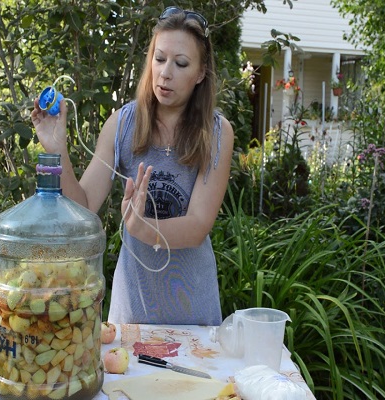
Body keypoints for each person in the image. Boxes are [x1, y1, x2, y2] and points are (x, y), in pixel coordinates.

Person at [31, 7, 234, 326]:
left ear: (200, 73)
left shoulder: (217, 132)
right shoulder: (122, 123)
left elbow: (197, 226)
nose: (165, 72)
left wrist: (142, 227)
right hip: (132, 316)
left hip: (194, 316)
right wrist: (58, 150)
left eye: (181, 63)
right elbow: (82, 208)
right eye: (159, 58)